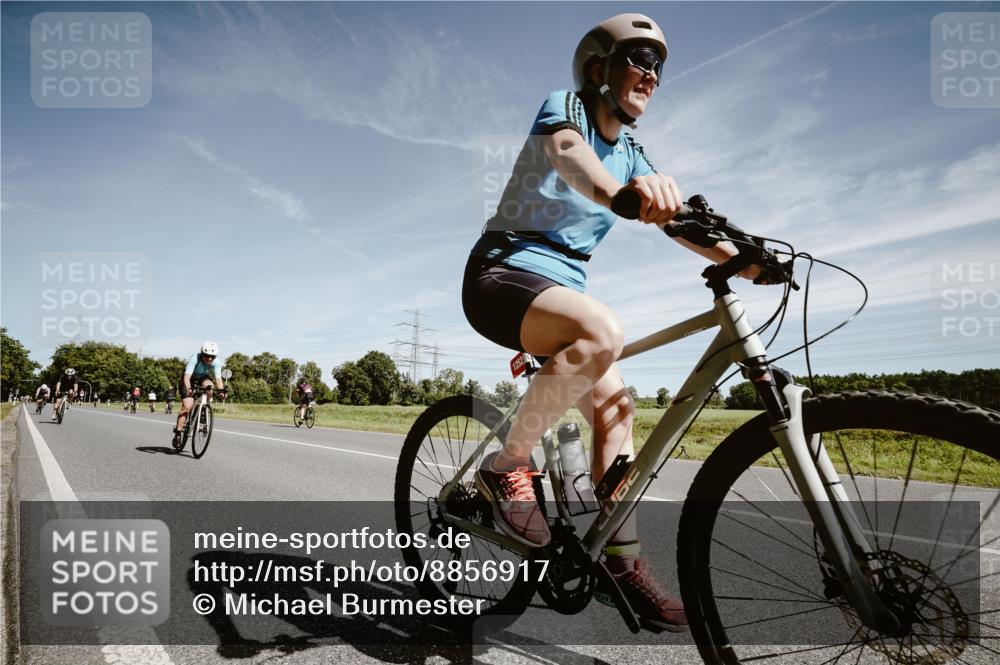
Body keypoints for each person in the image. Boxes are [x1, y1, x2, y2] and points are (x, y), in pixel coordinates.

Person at [462, 14, 766, 632]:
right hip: (502, 275)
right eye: (640, 60)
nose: (652, 76)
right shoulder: (566, 108)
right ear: (598, 68)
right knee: (602, 330)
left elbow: (677, 221)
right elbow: (569, 155)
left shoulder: (632, 152)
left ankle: (619, 563)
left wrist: (747, 260)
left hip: (560, 295)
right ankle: (506, 465)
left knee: (617, 412)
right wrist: (618, 195)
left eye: (660, 67)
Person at [172, 341, 226, 449]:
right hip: (189, 379)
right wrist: (189, 389)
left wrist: (221, 391)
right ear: (202, 354)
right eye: (207, 356)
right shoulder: (194, 358)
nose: (209, 359)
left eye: (212, 357)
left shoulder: (216, 362)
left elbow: (218, 379)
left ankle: (204, 408)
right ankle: (178, 433)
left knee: (210, 386)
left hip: (202, 378)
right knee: (187, 407)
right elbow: (186, 377)